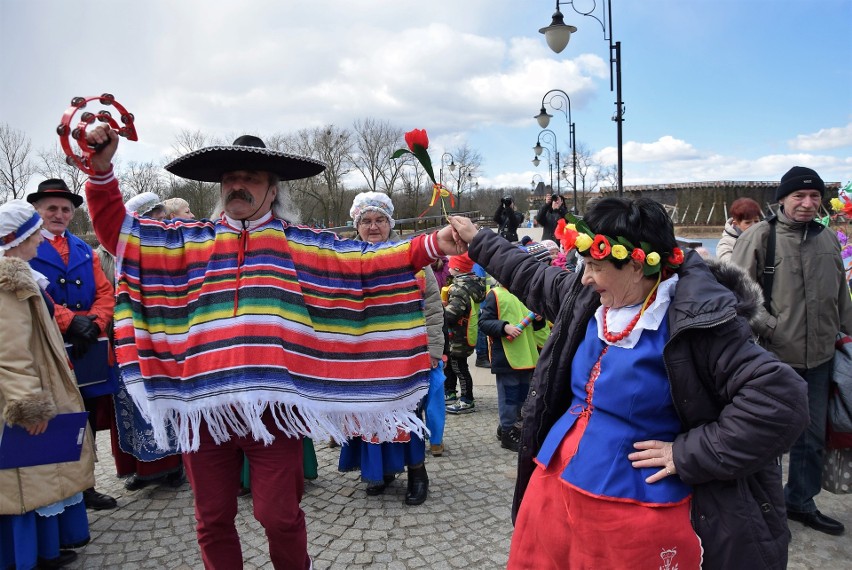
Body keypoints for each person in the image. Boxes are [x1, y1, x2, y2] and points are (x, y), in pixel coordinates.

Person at [81, 125, 464, 569]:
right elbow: (118, 235)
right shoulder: (187, 241)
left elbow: (367, 260)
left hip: (274, 409)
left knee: (278, 516)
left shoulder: (298, 242)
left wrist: (434, 243)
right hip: (204, 408)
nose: (237, 185)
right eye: (229, 178)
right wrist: (101, 171)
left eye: (251, 177)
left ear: (273, 188)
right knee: (211, 519)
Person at [447, 197, 809, 568]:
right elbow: (532, 276)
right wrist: (478, 240)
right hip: (555, 489)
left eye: (594, 266)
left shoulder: (697, 321)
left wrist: (688, 454)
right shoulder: (590, 300)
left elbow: (781, 399)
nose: (584, 277)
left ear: (637, 265)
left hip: (635, 511)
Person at [731, 166, 852, 537]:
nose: (807, 202)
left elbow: (840, 297)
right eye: (799, 196)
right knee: (763, 437)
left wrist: (846, 332)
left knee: (811, 437)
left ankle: (800, 501)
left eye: (815, 196)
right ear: (782, 199)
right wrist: (770, 326)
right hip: (770, 359)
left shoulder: (829, 239)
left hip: (819, 357)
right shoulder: (759, 238)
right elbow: (735, 292)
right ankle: (754, 507)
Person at [0, 200, 96, 570]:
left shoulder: (23, 277)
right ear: (18, 238)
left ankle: (43, 549)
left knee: (40, 473)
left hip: (40, 382)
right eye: (34, 233)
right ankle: (23, 558)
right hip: (22, 393)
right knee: (22, 477)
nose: (41, 239)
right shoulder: (9, 283)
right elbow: (9, 352)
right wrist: (28, 404)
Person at [337, 191, 443, 502]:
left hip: (405, 354)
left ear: (390, 223)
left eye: (380, 220)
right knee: (369, 414)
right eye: (366, 221)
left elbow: (433, 308)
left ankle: (417, 472)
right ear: (356, 225)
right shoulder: (347, 259)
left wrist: (433, 350)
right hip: (363, 355)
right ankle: (379, 470)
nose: (373, 226)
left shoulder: (412, 258)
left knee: (405, 413)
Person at [26, 179, 118, 512]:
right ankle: (57, 492)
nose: (59, 214)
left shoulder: (83, 248)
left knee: (88, 417)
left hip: (87, 346)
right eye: (52, 208)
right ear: (37, 211)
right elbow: (35, 294)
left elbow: (106, 291)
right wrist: (68, 321)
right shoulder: (26, 247)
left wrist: (93, 323)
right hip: (51, 345)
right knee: (57, 418)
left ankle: (86, 484)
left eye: (66, 209)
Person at [97, 196, 184, 492]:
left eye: (162, 217)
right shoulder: (108, 253)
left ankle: (177, 465)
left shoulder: (174, 244)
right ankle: (145, 467)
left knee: (171, 401)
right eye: (156, 217)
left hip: (167, 335)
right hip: (128, 337)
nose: (162, 223)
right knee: (134, 405)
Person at [478, 266, 549, 452]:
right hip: (507, 358)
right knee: (509, 398)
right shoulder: (495, 294)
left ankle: (508, 428)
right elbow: (484, 323)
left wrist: (539, 319)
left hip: (527, 356)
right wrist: (505, 327)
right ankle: (508, 431)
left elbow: (535, 328)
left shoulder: (527, 296)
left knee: (521, 396)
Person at [443, 252, 486, 414]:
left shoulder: (460, 289)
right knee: (454, 365)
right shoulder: (473, 284)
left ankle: (467, 399)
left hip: (458, 335)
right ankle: (450, 392)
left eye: (451, 264)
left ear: (457, 268)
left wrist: (440, 310)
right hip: (466, 332)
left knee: (459, 367)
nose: (448, 267)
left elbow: (452, 315)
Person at [716, 196, 762, 261]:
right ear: (736, 223)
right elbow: (731, 268)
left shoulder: (765, 237)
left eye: (756, 221)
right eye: (748, 222)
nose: (754, 226)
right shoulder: (726, 244)